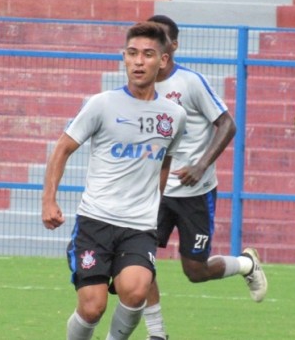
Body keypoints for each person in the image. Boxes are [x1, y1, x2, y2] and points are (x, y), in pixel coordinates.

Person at [42, 21, 187, 340]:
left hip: (139, 226)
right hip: (96, 222)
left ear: (162, 60)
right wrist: (49, 200)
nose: (139, 61)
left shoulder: (174, 116)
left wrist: (154, 203)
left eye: (148, 54)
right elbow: (63, 148)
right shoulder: (102, 104)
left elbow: (165, 160)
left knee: (135, 292)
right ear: (123, 57)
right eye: (132, 53)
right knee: (92, 307)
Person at [142, 15, 268, 340]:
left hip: (194, 192)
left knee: (194, 271)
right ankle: (157, 334)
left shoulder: (190, 83)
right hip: (151, 192)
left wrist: (200, 165)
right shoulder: (138, 84)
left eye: (159, 40)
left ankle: (246, 265)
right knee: (137, 259)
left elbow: (227, 125)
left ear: (172, 47)